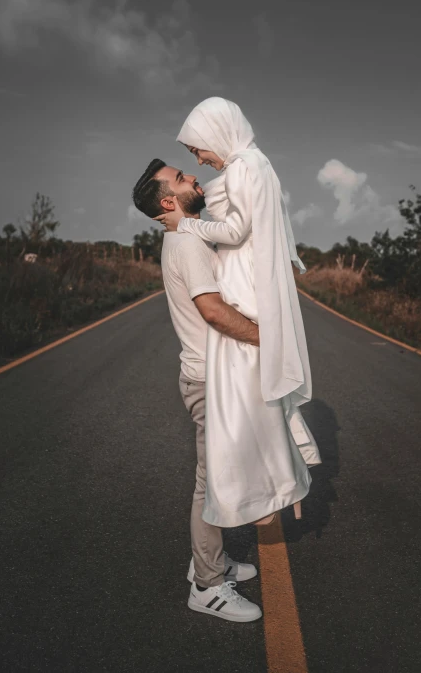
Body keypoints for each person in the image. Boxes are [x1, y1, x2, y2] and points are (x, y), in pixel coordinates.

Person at [155, 97, 321, 529]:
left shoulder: (245, 166)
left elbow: (235, 229)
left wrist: (187, 224)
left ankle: (256, 492)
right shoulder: (253, 164)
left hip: (244, 276)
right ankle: (267, 486)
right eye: (191, 158)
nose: (199, 161)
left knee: (240, 396)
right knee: (250, 397)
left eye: (197, 150)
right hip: (246, 270)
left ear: (216, 134)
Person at [132, 160, 262, 623]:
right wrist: (267, 337)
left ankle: (213, 560)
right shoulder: (187, 241)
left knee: (220, 477)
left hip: (211, 376)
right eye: (182, 178)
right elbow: (211, 309)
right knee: (213, 484)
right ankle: (206, 586)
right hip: (210, 380)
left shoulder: (188, 232)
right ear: (169, 200)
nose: (193, 177)